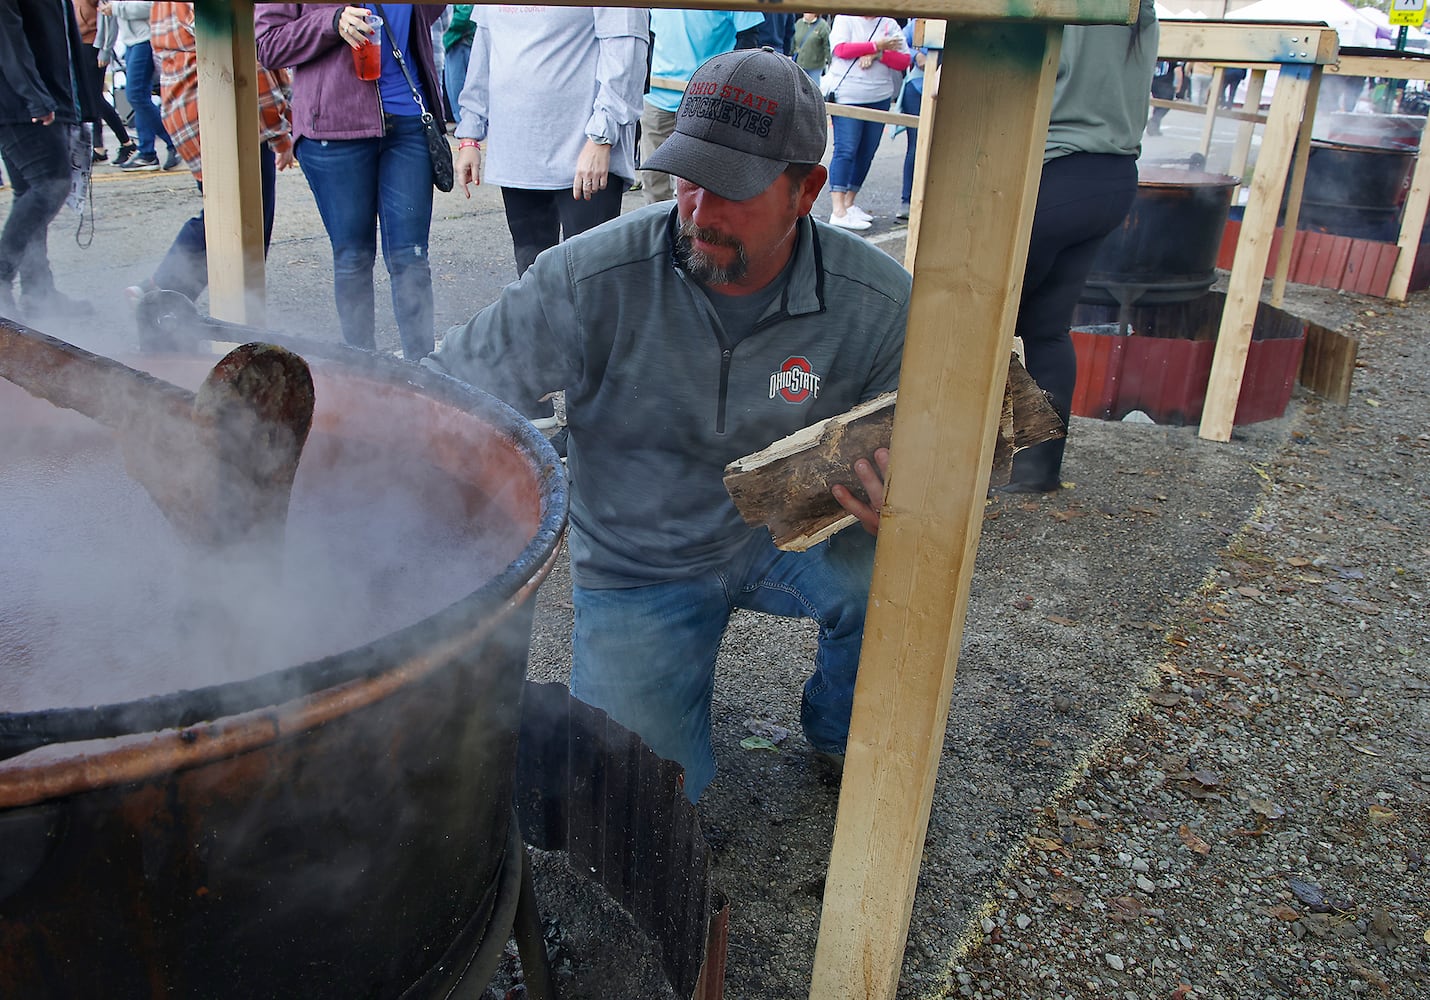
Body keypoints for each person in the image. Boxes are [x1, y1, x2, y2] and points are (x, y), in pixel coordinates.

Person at [426, 49, 910, 801]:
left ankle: (843, 734)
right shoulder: (589, 279)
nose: (699, 210)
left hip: (787, 527)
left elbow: (948, 445)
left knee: (905, 579)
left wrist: (912, 498)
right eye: (690, 176)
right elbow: (445, 396)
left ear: (806, 190)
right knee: (640, 800)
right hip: (638, 562)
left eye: (735, 190)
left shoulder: (877, 303)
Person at [1001, 0, 1158, 493]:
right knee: (1045, 329)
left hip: (1054, 170)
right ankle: (1034, 473)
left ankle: (953, 458)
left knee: (979, 326)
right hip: (1111, 177)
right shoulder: (1139, 8)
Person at [256, 3, 446, 361]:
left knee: (412, 259)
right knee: (353, 257)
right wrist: (330, 21)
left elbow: (428, 12)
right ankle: (363, 374)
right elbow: (268, 45)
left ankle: (425, 375)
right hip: (334, 127)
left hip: (408, 121)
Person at [453, 5, 648, 277]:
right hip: (517, 154)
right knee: (531, 284)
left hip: (584, 154)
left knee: (590, 282)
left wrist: (602, 136)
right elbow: (484, 50)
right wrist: (470, 134)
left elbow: (627, 52)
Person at [126, 1, 293, 303]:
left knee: (220, 212)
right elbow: (249, 61)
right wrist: (279, 131)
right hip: (225, 115)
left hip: (185, 112)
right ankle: (175, 299)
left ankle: (166, 296)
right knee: (247, 222)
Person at [0, 0, 98, 319]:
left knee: (31, 191)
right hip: (20, 98)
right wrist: (35, 96)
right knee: (51, 184)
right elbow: (7, 33)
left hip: (30, 96)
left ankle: (38, 294)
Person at [639, 8, 764, 204]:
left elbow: (748, 38)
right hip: (658, 94)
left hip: (708, 96)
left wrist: (731, 85)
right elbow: (645, 32)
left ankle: (702, 229)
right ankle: (663, 229)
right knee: (653, 177)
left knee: (703, 178)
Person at [825, 13, 909, 230]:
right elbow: (841, 50)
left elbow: (903, 60)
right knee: (846, 149)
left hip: (879, 96)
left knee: (867, 152)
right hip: (849, 95)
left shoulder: (889, 23)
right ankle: (838, 209)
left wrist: (878, 54)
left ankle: (849, 202)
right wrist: (876, 45)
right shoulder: (845, 19)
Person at [99, 1, 180, 171]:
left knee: (136, 96)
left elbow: (152, 6)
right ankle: (147, 152)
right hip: (132, 43)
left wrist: (116, 8)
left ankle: (174, 142)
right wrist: (105, 49)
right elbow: (109, 19)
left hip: (145, 40)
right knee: (140, 98)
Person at [73, 0, 135, 164]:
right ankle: (98, 147)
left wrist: (105, 50)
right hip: (79, 45)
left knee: (95, 99)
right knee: (89, 98)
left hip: (93, 46)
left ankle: (126, 142)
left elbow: (108, 18)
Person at [895, 19, 929, 221]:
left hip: (951, 89)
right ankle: (907, 201)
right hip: (916, 88)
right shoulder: (920, 21)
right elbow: (901, 43)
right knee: (916, 146)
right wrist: (917, 55)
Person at [441, 4, 474, 124]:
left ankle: (466, 125)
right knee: (453, 89)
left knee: (461, 89)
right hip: (450, 43)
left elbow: (465, 14)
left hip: (461, 42)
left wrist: (441, 29)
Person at [792, 13, 830, 91]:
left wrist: (830, 62)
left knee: (814, 90)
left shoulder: (823, 25)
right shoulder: (798, 23)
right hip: (799, 65)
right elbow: (793, 41)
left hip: (815, 67)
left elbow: (827, 46)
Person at [1146, 57, 1180, 135]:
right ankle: (1154, 120)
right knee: (1167, 104)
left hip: (1154, 81)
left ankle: (1154, 129)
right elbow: (1178, 70)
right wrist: (1179, 84)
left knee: (1158, 105)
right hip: (1166, 83)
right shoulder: (1173, 56)